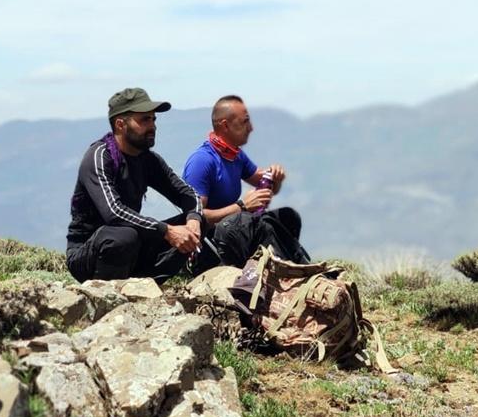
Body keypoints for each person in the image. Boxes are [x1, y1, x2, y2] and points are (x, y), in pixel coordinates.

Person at [66, 87, 205, 283]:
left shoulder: (147, 160)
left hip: (132, 246)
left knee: (198, 222)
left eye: (153, 119)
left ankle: (145, 286)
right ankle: (105, 296)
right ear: (121, 124)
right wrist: (167, 231)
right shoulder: (99, 156)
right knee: (123, 236)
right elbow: (113, 213)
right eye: (144, 120)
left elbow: (188, 194)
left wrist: (193, 220)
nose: (153, 126)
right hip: (89, 253)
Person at [182, 95, 309, 267]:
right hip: (211, 244)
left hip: (236, 229)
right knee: (251, 223)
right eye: (245, 122)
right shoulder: (202, 161)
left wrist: (275, 178)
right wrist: (241, 207)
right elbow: (195, 217)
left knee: (288, 217)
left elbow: (263, 184)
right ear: (225, 125)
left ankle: (293, 263)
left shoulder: (235, 155)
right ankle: (288, 266)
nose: (251, 128)